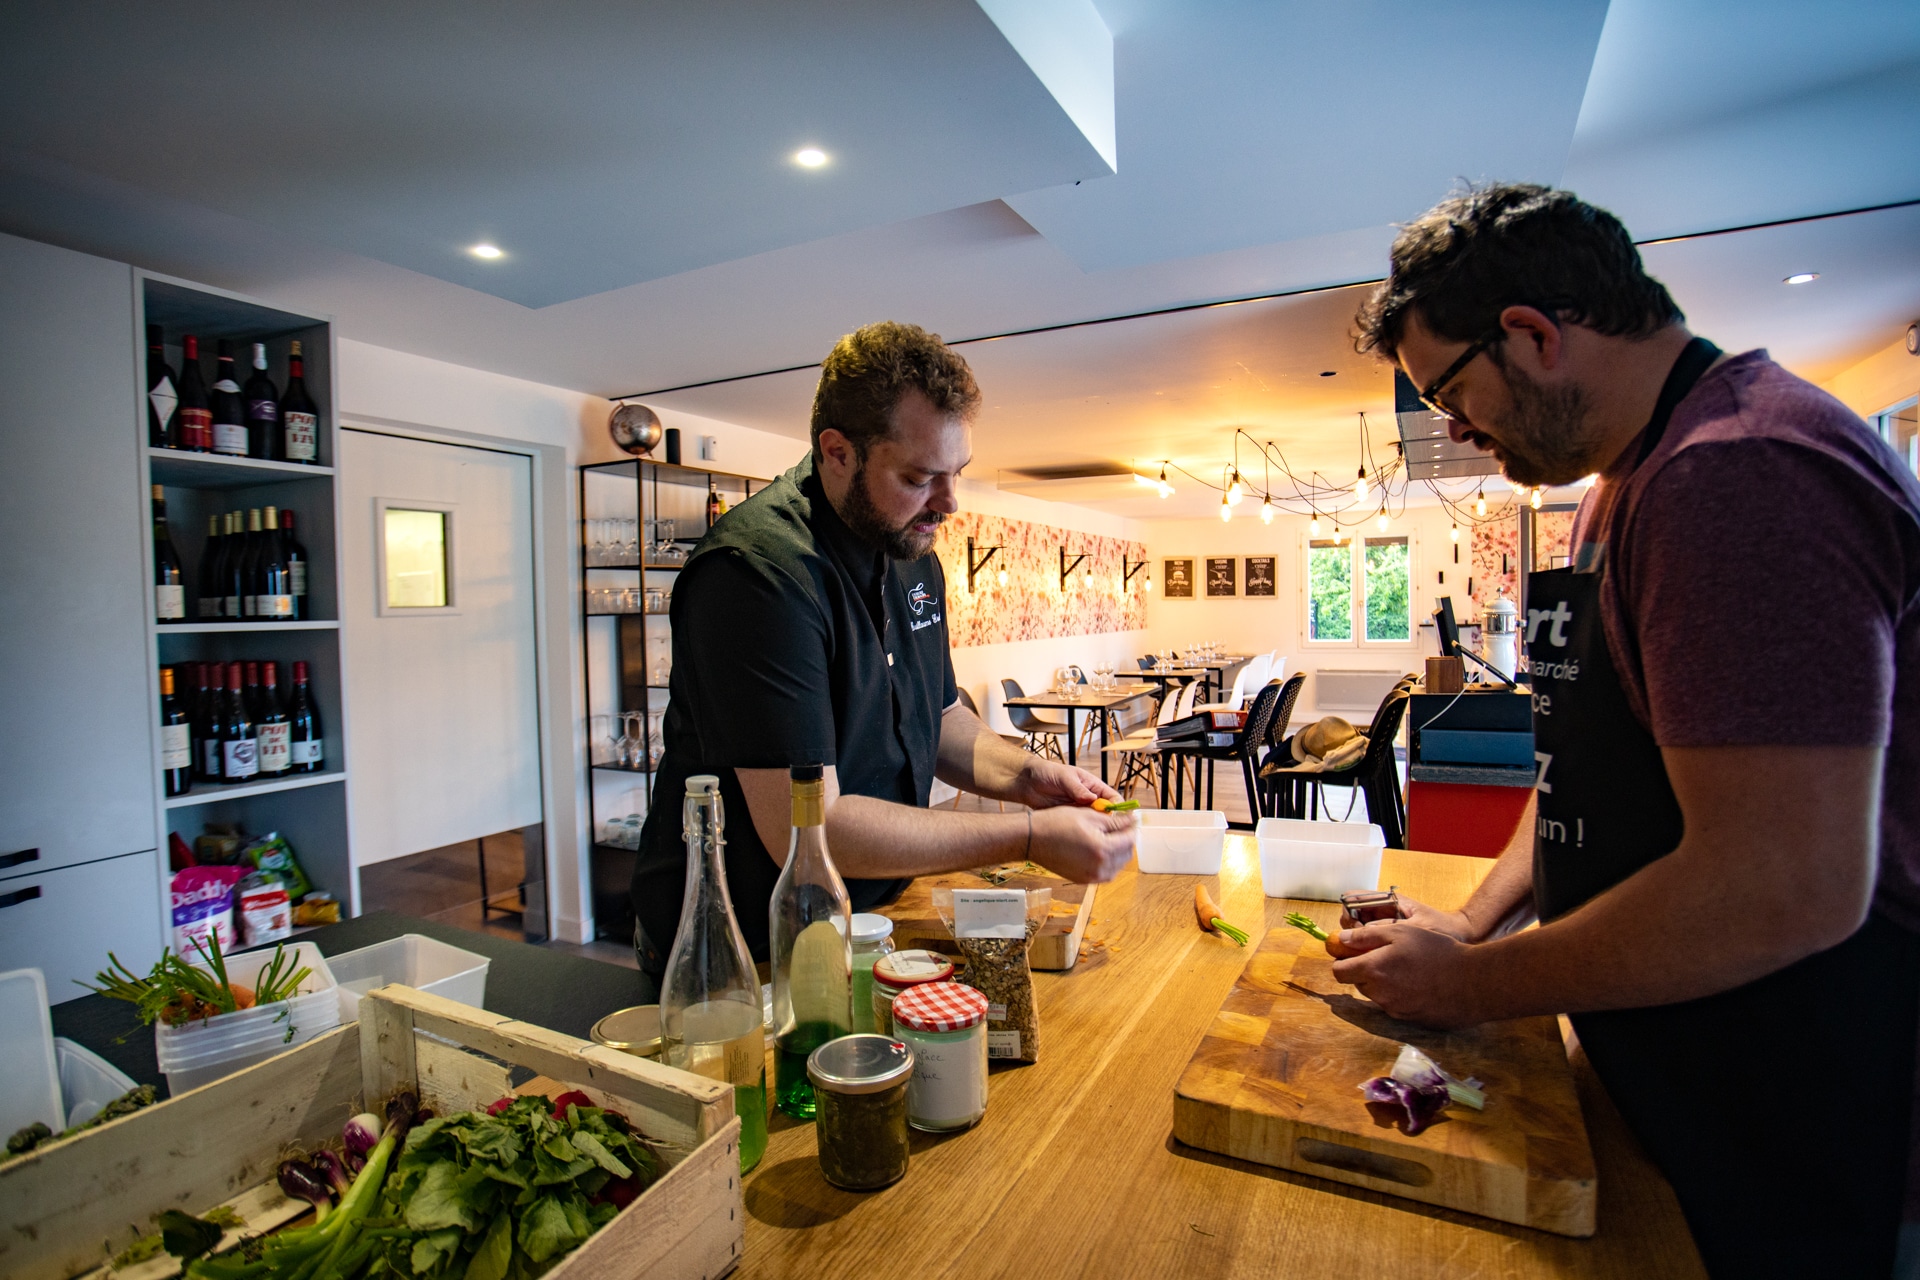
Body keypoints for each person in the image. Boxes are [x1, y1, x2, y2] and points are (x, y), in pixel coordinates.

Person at [1347, 184, 1920, 1277]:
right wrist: (1475, 924)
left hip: (1802, 1097)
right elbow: (1577, 769)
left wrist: (1469, 986)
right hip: (1674, 1066)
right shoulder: (1630, 481)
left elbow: (1784, 881)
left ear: (1532, 335)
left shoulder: (1739, 473)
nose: (1451, 426)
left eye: (1447, 391)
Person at [630, 320, 1136, 969]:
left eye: (958, 472)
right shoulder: (757, 577)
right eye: (920, 476)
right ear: (837, 451)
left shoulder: (909, 548)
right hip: (743, 944)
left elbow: (942, 716)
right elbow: (807, 830)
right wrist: (1030, 835)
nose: (948, 502)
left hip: (870, 914)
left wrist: (1029, 777)